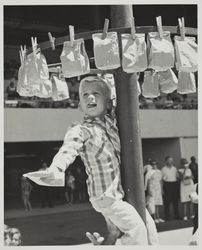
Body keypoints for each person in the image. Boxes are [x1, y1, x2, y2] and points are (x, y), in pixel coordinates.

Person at [48, 76, 159, 245]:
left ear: (108, 103)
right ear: (79, 105)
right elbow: (69, 148)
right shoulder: (81, 129)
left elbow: (118, 102)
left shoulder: (110, 122)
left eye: (95, 93)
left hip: (118, 194)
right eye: (84, 95)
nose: (90, 97)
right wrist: (57, 168)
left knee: (148, 225)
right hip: (105, 197)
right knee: (136, 229)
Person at [161, 156, 181, 221]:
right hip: (167, 185)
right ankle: (167, 217)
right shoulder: (163, 169)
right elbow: (162, 179)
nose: (171, 162)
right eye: (169, 160)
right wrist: (162, 189)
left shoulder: (175, 168)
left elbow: (177, 177)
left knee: (175, 201)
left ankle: (177, 216)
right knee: (167, 202)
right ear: (166, 161)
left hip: (174, 185)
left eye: (172, 160)